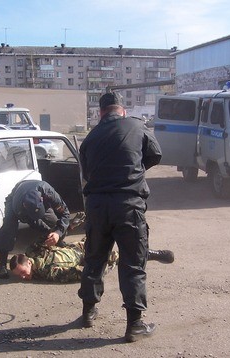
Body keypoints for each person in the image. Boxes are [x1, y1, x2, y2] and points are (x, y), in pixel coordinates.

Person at [78, 91, 164, 343]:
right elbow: (155, 154)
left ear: (100, 112)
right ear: (122, 110)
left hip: (96, 206)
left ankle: (87, 313)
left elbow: (87, 172)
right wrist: (132, 170)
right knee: (133, 264)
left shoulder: (90, 138)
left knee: (94, 260)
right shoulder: (138, 126)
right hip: (127, 205)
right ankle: (134, 325)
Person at [0, 179, 72, 279]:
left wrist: (57, 232)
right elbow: (34, 223)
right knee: (8, 228)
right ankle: (2, 264)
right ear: (25, 206)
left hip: (38, 197)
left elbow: (65, 213)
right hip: (14, 197)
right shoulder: (18, 207)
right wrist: (48, 231)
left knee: (54, 223)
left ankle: (57, 241)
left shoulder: (49, 192)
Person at [10, 239, 174, 283]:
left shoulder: (35, 256)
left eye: (23, 273)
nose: (23, 277)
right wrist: (104, 268)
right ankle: (152, 254)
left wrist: (56, 234)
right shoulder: (43, 272)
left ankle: (147, 253)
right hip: (83, 256)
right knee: (117, 257)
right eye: (20, 276)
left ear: (29, 262)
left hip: (78, 247)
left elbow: (44, 238)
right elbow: (80, 274)